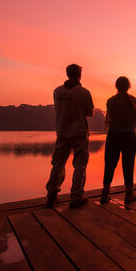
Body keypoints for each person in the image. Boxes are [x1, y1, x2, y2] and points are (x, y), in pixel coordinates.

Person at [46, 64, 94, 208]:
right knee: (80, 164)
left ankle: (51, 197)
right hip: (79, 132)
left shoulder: (57, 91)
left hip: (62, 132)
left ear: (67, 74)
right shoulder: (84, 92)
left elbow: (58, 108)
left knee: (58, 164)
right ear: (80, 74)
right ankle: (76, 197)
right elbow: (89, 112)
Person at [101, 76, 136, 204]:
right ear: (128, 86)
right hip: (128, 136)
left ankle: (105, 194)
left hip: (113, 135)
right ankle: (128, 195)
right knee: (128, 165)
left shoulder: (110, 101)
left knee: (109, 164)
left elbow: (109, 119)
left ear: (116, 86)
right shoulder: (133, 101)